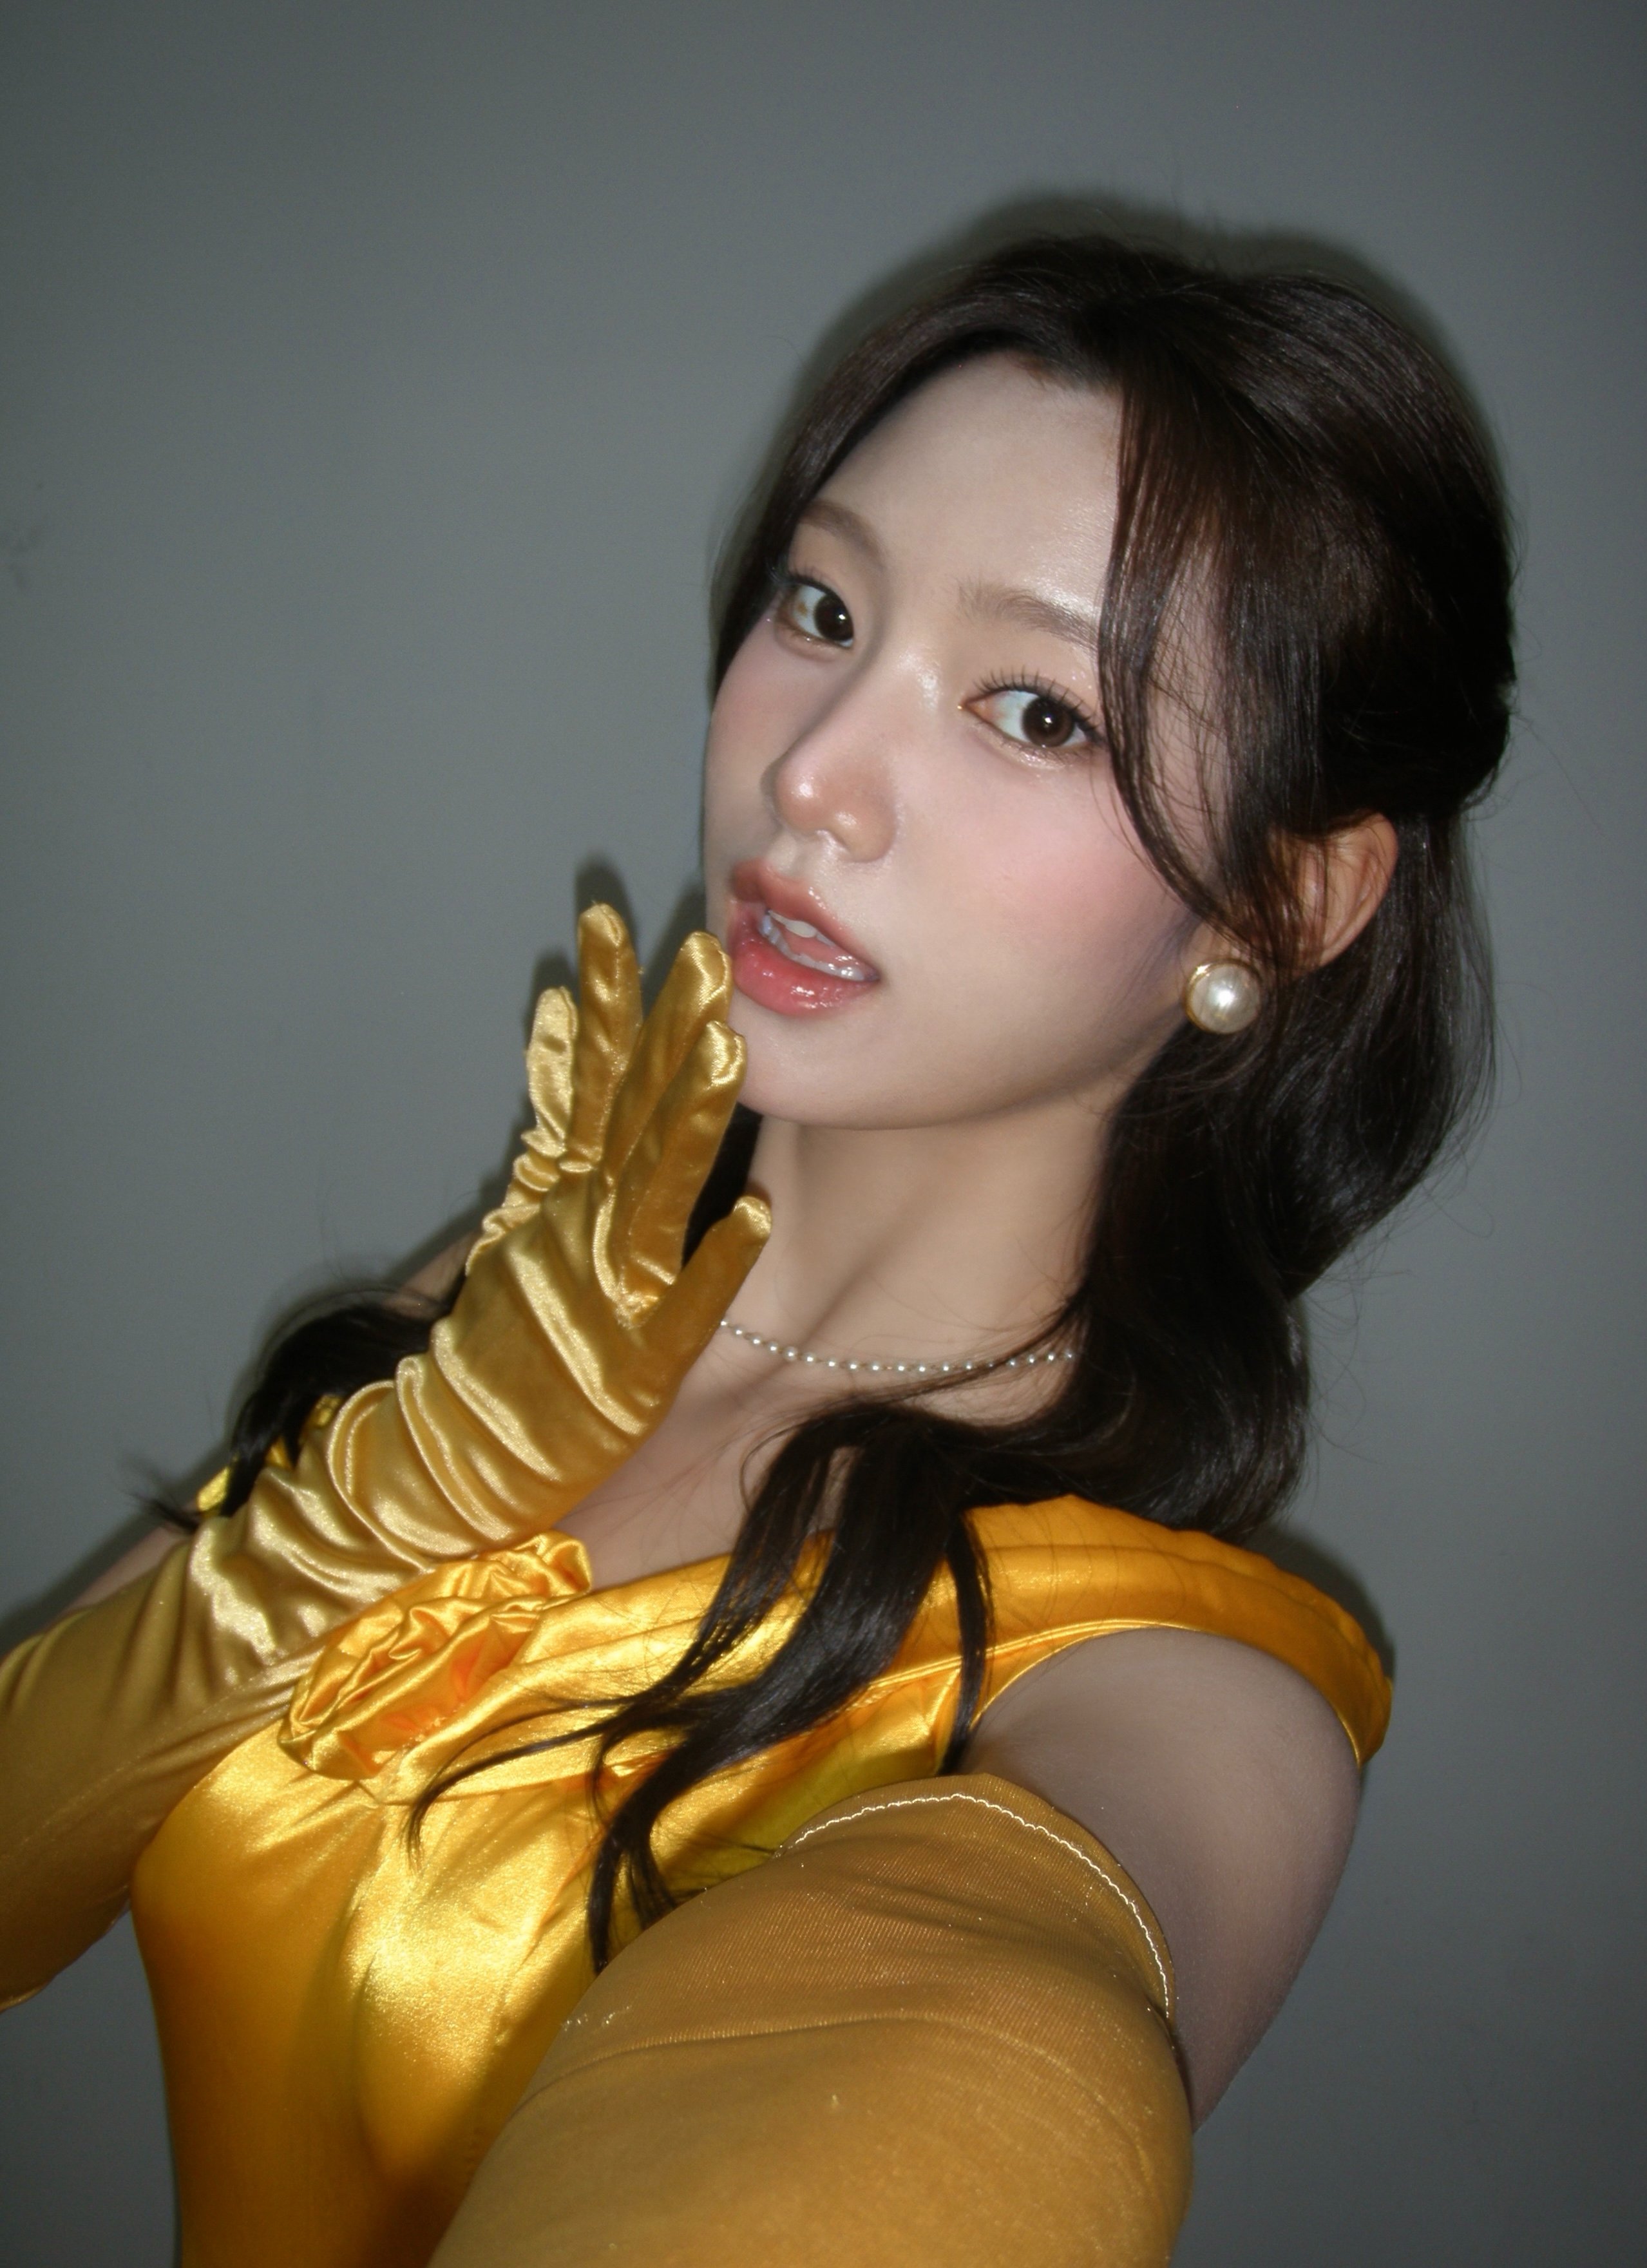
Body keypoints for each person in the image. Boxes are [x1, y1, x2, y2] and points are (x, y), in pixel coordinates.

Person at [0, 233, 1512, 2265]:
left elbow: (960, 2038)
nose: (810, 775)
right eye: (823, 608)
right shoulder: (517, 1303)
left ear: (1284, 902)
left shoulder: (1176, 1700)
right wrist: (351, 1516)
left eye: (1034, 711)